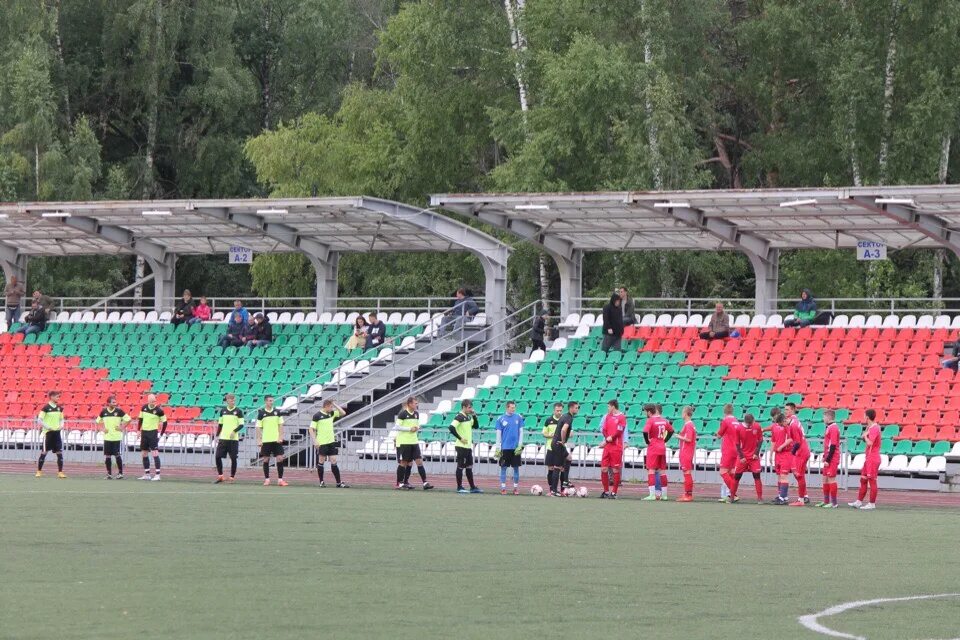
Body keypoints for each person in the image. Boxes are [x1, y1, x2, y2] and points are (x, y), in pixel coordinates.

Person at [393, 397, 433, 490]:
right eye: (415, 403)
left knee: (418, 461)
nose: (416, 405)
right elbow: (397, 427)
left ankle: (425, 483)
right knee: (404, 462)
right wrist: (409, 429)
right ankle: (400, 483)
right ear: (410, 404)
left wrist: (416, 427)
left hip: (414, 441)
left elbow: (416, 424)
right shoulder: (403, 414)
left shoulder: (416, 414)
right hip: (404, 442)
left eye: (417, 403)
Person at [310, 399, 349, 488]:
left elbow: (343, 413)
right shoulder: (317, 415)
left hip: (331, 442)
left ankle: (338, 483)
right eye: (331, 407)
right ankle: (322, 482)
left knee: (334, 461)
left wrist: (334, 404)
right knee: (321, 461)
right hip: (322, 442)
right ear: (326, 406)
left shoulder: (331, 414)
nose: (332, 409)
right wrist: (315, 440)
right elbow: (311, 429)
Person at [849, 409, 881, 510]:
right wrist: (864, 436)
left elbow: (870, 443)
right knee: (863, 479)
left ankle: (872, 503)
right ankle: (859, 501)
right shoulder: (869, 427)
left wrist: (865, 436)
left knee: (872, 481)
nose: (863, 417)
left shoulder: (875, 428)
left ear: (867, 417)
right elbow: (865, 438)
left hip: (873, 457)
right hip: (868, 458)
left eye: (864, 415)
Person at [449, 399, 482, 494]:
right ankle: (459, 487)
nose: (470, 409)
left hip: (468, 446)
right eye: (469, 407)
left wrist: (474, 415)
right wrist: (460, 438)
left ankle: (472, 487)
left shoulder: (468, 417)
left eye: (471, 407)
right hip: (461, 446)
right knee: (460, 466)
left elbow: (476, 426)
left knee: (469, 466)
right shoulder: (459, 417)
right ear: (463, 407)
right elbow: (451, 427)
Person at [642, 404, 673, 501]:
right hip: (662, 447)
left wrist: (648, 442)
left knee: (651, 470)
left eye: (646, 412)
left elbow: (645, 432)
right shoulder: (664, 420)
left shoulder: (651, 420)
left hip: (653, 447)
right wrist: (665, 440)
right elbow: (671, 431)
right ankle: (664, 495)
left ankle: (652, 494)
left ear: (649, 412)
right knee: (662, 471)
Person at [547, 401, 579, 497]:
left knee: (569, 458)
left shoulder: (565, 416)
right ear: (571, 408)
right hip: (558, 444)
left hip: (556, 443)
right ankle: (554, 490)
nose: (577, 409)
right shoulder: (568, 417)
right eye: (576, 408)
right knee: (557, 467)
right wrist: (563, 440)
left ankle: (565, 481)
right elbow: (564, 429)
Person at [732, 413, 764, 503]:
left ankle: (760, 498)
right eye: (751, 423)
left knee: (757, 476)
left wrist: (756, 453)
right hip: (743, 456)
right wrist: (741, 457)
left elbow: (760, 440)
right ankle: (732, 497)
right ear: (747, 422)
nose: (752, 424)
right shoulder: (738, 428)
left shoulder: (757, 426)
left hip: (754, 457)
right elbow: (737, 443)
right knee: (737, 476)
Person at [97, 396, 131, 479]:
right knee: (107, 456)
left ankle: (120, 473)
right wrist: (102, 429)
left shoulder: (119, 411)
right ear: (108, 403)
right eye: (113, 402)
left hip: (116, 437)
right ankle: (109, 474)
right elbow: (97, 421)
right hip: (107, 438)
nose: (115, 404)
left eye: (115, 402)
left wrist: (122, 427)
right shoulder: (104, 412)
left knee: (117, 455)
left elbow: (129, 419)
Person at [495, 401, 525, 495]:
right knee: (503, 468)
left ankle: (515, 488)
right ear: (507, 408)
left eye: (514, 407)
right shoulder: (500, 419)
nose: (513, 409)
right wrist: (498, 447)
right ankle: (503, 488)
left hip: (515, 448)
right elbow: (498, 434)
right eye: (512, 407)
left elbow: (521, 432)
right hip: (505, 448)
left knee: (516, 468)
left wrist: (520, 445)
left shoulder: (518, 417)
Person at [257, 395, 288, 486]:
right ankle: (267, 479)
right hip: (266, 440)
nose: (272, 402)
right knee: (266, 459)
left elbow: (281, 425)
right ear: (266, 402)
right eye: (270, 401)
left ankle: (280, 480)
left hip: (276, 440)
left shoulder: (277, 412)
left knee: (280, 458)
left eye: (272, 401)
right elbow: (258, 427)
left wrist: (281, 437)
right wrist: (259, 440)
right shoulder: (261, 413)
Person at [599, 399, 626, 499]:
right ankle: (606, 491)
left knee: (615, 469)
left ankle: (614, 492)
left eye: (608, 406)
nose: (608, 408)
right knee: (604, 468)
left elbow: (620, 430)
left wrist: (612, 438)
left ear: (613, 406)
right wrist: (607, 439)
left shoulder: (621, 417)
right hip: (608, 446)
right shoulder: (608, 416)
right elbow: (604, 429)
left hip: (616, 447)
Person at [35, 391, 66, 478]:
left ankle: (60, 472)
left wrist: (61, 425)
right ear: (51, 397)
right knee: (44, 452)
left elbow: (62, 419)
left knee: (59, 452)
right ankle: (39, 471)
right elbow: (39, 420)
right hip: (48, 433)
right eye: (57, 396)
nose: (58, 398)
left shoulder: (60, 408)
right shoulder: (45, 408)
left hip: (57, 433)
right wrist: (48, 427)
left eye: (59, 396)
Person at [214, 394, 244, 483]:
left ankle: (232, 476)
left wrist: (234, 431)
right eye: (231, 400)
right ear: (227, 400)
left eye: (234, 400)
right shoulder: (223, 411)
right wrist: (217, 435)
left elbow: (241, 424)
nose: (232, 401)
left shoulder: (238, 411)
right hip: (223, 438)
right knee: (217, 456)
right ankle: (220, 476)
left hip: (233, 439)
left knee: (233, 458)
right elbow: (220, 424)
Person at [785, 402, 810, 506]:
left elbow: (797, 441)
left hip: (801, 451)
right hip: (803, 450)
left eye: (787, 409)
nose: (785, 411)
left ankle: (801, 500)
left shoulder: (793, 424)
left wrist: (793, 453)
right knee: (800, 475)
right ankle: (804, 496)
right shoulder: (794, 422)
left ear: (792, 410)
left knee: (798, 475)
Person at [137, 394, 167, 481]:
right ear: (148, 401)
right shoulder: (144, 408)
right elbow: (140, 420)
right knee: (144, 453)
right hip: (144, 433)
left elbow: (165, 422)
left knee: (155, 453)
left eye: (155, 401)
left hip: (153, 433)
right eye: (152, 401)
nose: (154, 402)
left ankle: (157, 475)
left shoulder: (159, 410)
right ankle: (147, 474)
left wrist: (161, 434)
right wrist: (138, 430)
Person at [716, 404, 741, 503]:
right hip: (736, 449)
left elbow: (719, 435)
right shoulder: (736, 421)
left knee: (723, 472)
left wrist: (718, 432)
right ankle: (729, 495)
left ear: (724, 412)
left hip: (728, 449)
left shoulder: (725, 421)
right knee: (731, 472)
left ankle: (733, 493)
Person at [542, 402, 571, 488]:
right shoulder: (548, 420)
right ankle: (552, 489)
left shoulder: (565, 419)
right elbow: (544, 433)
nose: (559, 412)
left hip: (561, 448)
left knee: (561, 468)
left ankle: (562, 489)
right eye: (557, 410)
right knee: (551, 468)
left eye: (560, 411)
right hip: (551, 447)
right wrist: (551, 435)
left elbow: (570, 432)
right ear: (554, 410)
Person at [769, 409, 794, 505]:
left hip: (786, 453)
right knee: (779, 476)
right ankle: (781, 495)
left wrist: (781, 446)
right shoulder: (775, 427)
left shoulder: (787, 427)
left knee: (784, 476)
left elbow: (791, 439)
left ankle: (783, 497)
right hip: (777, 454)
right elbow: (773, 441)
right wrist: (771, 454)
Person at [818, 410, 841, 508]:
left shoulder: (834, 428)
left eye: (824, 417)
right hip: (828, 457)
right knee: (825, 479)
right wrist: (825, 456)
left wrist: (828, 459)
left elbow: (833, 445)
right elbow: (828, 444)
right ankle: (826, 501)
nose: (823, 419)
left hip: (833, 458)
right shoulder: (830, 427)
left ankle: (834, 503)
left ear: (828, 417)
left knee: (831, 479)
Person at [675, 406, 697, 502]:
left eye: (682, 412)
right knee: (686, 473)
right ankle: (687, 494)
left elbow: (689, 439)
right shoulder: (688, 424)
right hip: (686, 451)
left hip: (686, 451)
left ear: (685, 413)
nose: (681, 414)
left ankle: (688, 495)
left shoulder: (689, 425)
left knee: (687, 473)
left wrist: (679, 436)